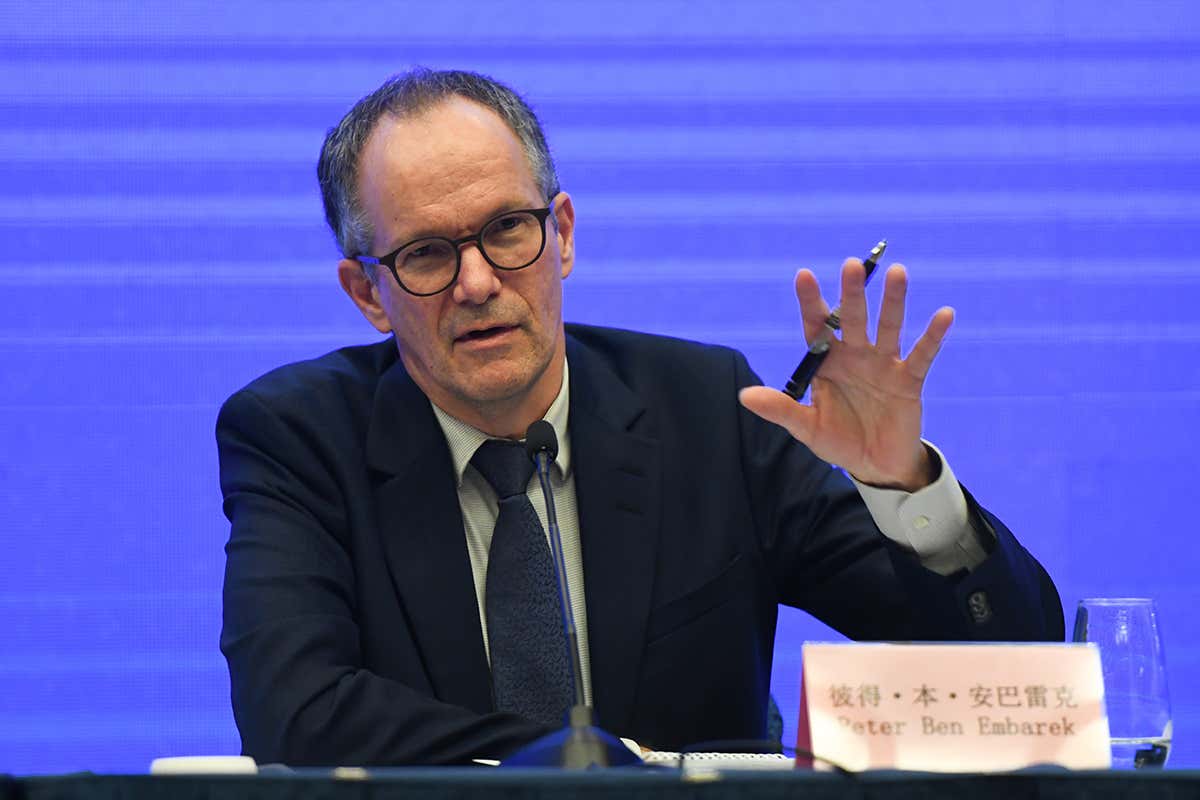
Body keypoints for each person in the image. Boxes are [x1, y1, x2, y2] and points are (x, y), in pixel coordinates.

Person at [217, 68, 1063, 767]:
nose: (477, 283)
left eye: (509, 229)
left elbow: (1014, 676)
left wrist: (899, 482)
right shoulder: (298, 436)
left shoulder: (709, 415)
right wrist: (596, 766)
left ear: (565, 234)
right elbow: (294, 713)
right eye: (428, 253)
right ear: (368, 293)